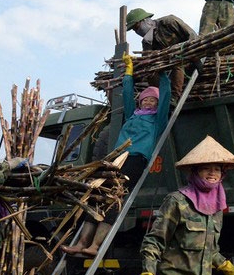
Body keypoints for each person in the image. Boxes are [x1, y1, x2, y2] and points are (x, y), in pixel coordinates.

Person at [62, 52, 170, 257]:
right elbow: (127, 95)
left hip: (136, 160)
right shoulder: (132, 115)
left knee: (114, 199)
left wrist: (163, 76)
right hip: (116, 159)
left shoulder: (158, 121)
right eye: (145, 99)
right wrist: (128, 73)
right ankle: (82, 243)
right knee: (96, 197)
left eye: (152, 101)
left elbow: (165, 98)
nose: (148, 103)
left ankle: (95, 246)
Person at [140, 135, 234, 275]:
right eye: (206, 168)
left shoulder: (216, 207)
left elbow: (209, 251)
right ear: (195, 172)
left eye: (217, 169)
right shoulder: (177, 201)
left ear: (222, 174)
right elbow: (154, 242)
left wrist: (226, 266)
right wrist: (148, 271)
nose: (212, 173)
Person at [125, 7, 198, 101]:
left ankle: (174, 97)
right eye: (134, 30)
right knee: (149, 70)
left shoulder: (169, 22)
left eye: (136, 27)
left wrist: (194, 56)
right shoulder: (147, 41)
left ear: (145, 21)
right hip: (168, 66)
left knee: (176, 60)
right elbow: (147, 61)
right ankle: (159, 95)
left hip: (187, 56)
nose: (136, 31)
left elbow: (192, 36)